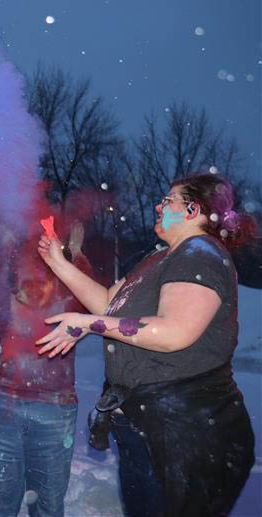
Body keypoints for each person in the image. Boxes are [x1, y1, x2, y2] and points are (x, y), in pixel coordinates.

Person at [36, 174, 255, 517]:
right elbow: (109, 304)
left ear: (193, 209)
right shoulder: (160, 258)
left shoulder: (200, 254)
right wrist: (58, 263)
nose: (158, 205)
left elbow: (174, 332)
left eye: (168, 200)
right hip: (151, 430)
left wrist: (86, 325)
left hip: (187, 434)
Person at [0, 221, 92, 517]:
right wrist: (4, 246)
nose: (33, 284)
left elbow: (93, 294)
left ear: (55, 281)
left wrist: (77, 253)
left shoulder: (68, 307)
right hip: (3, 405)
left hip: (54, 411)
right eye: (26, 277)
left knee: (47, 502)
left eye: (41, 277)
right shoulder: (3, 307)